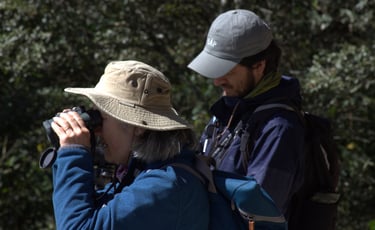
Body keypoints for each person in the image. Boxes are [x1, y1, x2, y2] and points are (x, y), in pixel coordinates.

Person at [49, 60, 209, 229]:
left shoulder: (165, 185)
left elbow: (76, 226)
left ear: (138, 127)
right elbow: (83, 209)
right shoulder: (143, 173)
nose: (95, 131)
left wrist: (73, 153)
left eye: (100, 119)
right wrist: (67, 148)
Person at [188, 9, 305, 221]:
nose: (216, 81)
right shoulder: (226, 114)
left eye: (227, 70)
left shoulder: (278, 129)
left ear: (259, 66)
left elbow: (257, 216)